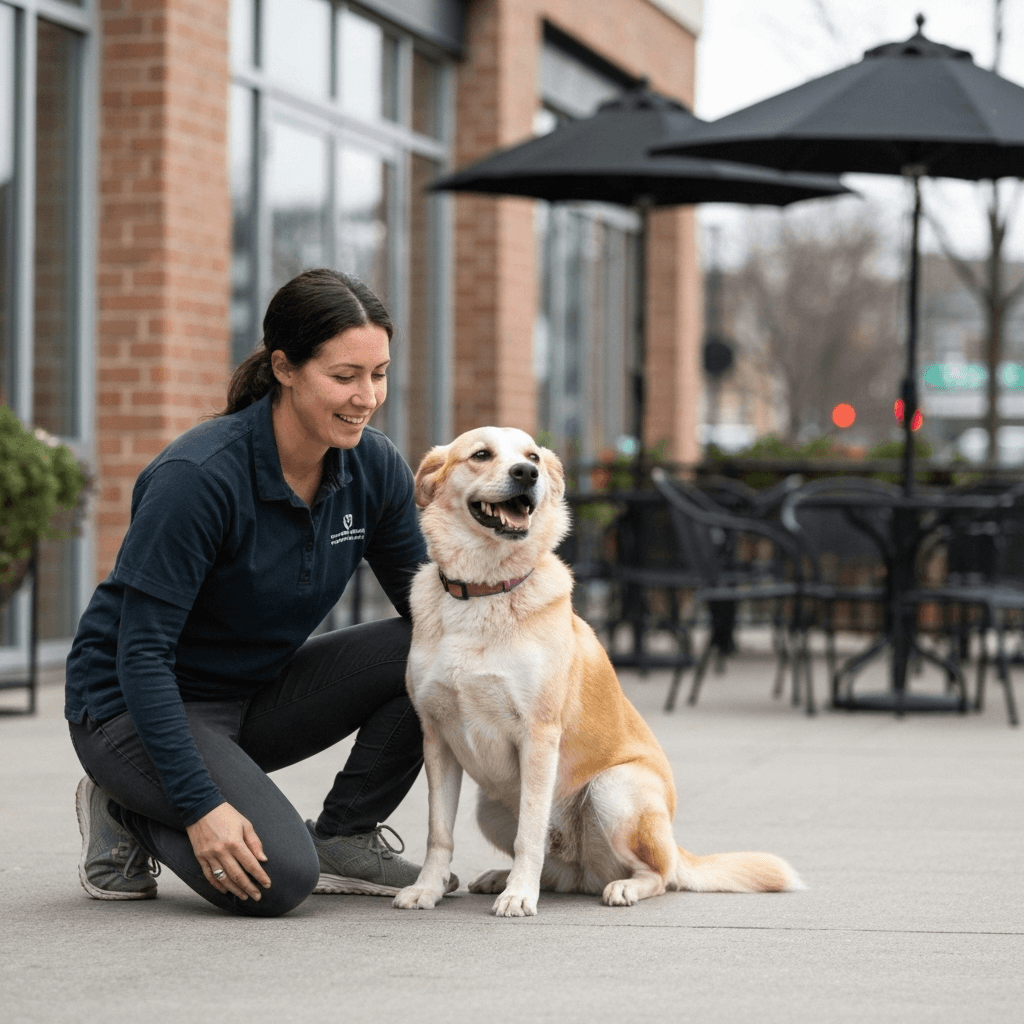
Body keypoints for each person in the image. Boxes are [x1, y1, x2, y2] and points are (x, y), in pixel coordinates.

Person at [65, 268, 452, 917]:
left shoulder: (372, 466)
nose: (366, 397)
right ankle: (126, 805)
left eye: (379, 374)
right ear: (284, 367)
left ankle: (346, 834)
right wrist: (200, 806)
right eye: (345, 376)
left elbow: (432, 602)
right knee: (280, 880)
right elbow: (141, 657)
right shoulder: (198, 477)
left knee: (438, 644)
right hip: (131, 709)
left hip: (253, 696)